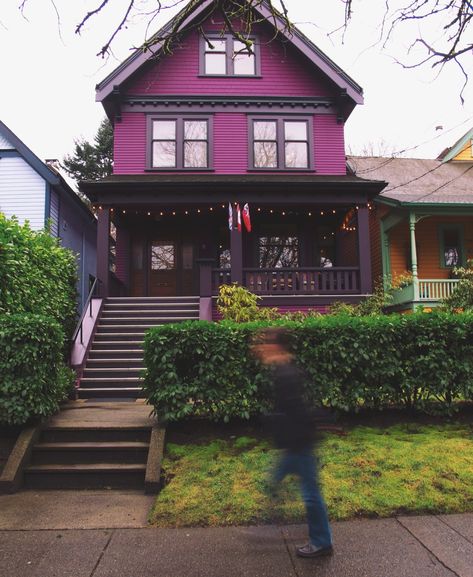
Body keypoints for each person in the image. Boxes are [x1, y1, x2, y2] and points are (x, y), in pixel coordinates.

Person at [252, 327, 333, 559]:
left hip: (299, 442)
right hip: (293, 442)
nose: (261, 348)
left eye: (265, 343)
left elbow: (296, 410)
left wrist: (273, 422)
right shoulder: (283, 370)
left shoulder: (286, 373)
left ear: (275, 346)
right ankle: (267, 524)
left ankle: (321, 541)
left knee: (310, 493)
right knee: (276, 481)